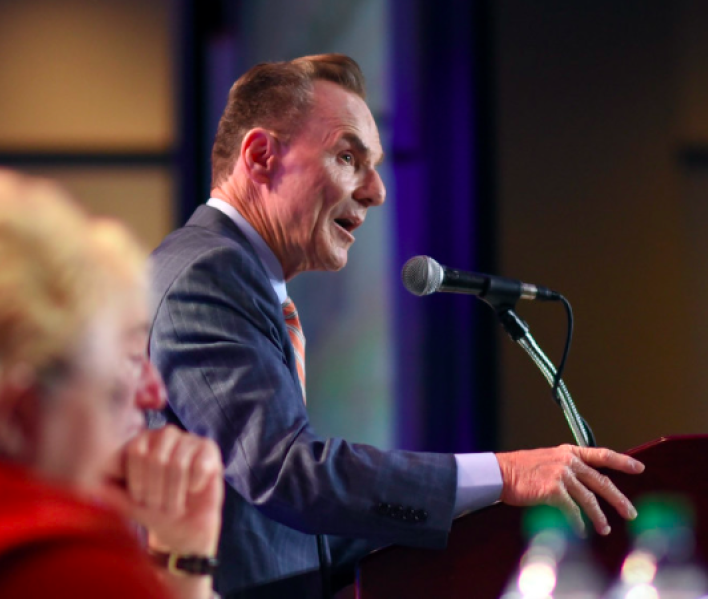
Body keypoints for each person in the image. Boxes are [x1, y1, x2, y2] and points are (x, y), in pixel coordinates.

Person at [148, 53, 645, 598]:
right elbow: (286, 474)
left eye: (375, 165)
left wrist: (483, 509)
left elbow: (279, 522)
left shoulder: (236, 274)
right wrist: (502, 475)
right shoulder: (210, 273)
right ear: (263, 156)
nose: (376, 191)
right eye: (347, 157)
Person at [0, 170, 223, 599]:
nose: (155, 395)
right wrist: (185, 560)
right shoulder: (63, 563)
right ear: (18, 417)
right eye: (113, 389)